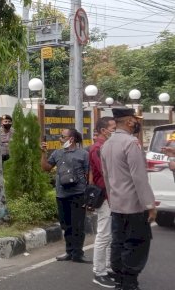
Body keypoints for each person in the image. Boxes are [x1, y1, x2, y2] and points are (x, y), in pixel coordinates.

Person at [101, 108, 156, 290]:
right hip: (134, 206)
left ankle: (120, 281)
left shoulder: (106, 145)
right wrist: (149, 204)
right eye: (135, 120)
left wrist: (112, 199)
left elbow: (107, 178)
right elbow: (139, 177)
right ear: (129, 122)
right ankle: (129, 283)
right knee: (136, 243)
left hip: (117, 205)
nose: (136, 123)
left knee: (118, 242)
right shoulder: (131, 143)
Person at [41, 128, 91, 264]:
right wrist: (43, 153)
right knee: (66, 225)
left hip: (78, 194)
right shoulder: (57, 153)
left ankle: (78, 253)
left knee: (78, 225)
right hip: (62, 195)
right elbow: (46, 168)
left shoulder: (83, 154)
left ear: (71, 139)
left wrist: (89, 194)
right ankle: (69, 252)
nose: (60, 139)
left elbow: (88, 175)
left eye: (62, 136)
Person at [88, 117, 117, 288]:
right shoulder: (98, 148)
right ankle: (99, 272)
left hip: (111, 196)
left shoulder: (105, 146)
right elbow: (106, 171)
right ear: (102, 129)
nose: (114, 130)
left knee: (110, 235)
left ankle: (106, 267)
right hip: (104, 195)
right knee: (103, 235)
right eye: (112, 127)